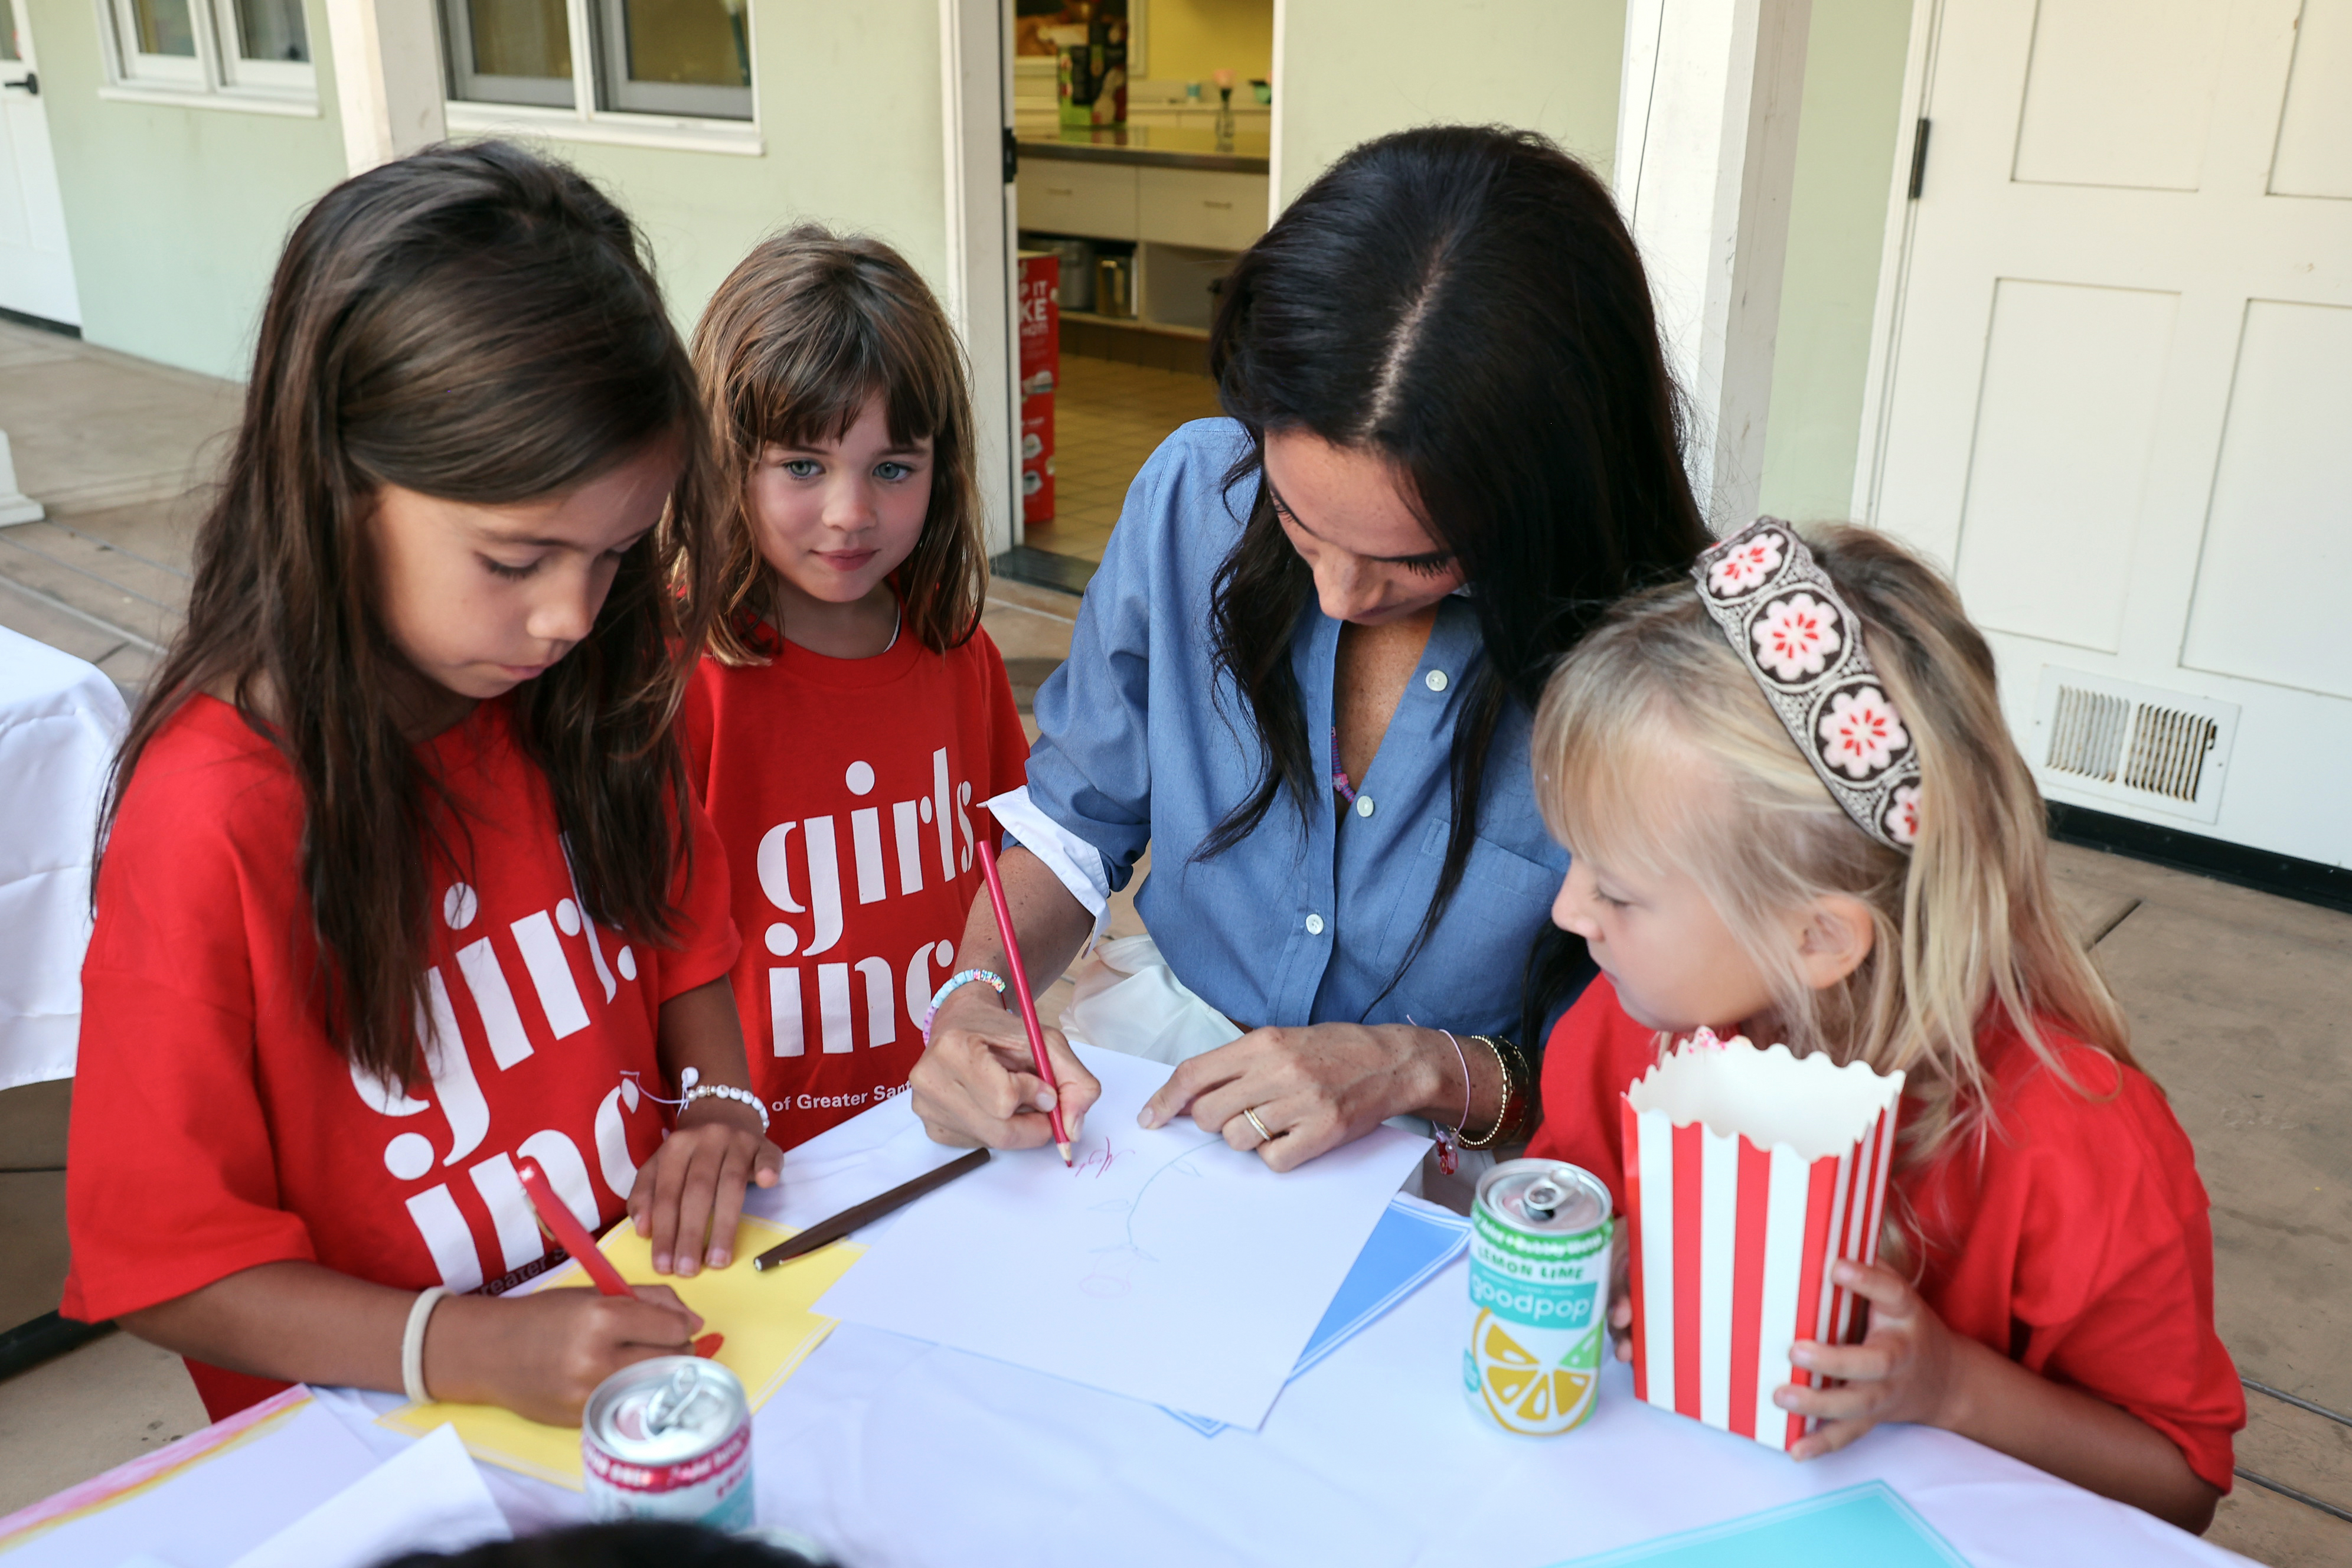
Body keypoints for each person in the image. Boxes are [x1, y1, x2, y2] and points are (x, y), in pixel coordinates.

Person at [61, 142, 779, 1427]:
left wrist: (720, 1100)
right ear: (337, 484)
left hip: (651, 1358)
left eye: (614, 553)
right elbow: (165, 1264)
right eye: (515, 556)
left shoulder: (588, 694)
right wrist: (470, 1347)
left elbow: (685, 938)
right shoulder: (212, 815)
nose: (569, 612)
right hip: (374, 1442)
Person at [912, 126, 1711, 1175]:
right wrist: (975, 1000)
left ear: (1548, 503)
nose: (1339, 594)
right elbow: (1075, 824)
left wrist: (1421, 1069)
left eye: (1420, 561)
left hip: (1470, 1144)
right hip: (1164, 1087)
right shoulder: (1197, 495)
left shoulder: (1665, 663)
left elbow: (1649, 1051)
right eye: (1297, 521)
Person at [1524, 519, 2243, 1531]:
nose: (1568, 912)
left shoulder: (2081, 1145)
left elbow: (2181, 1484)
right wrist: (1607, 1267)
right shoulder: (1627, 1035)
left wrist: (1951, 1388)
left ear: (1820, 937)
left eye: (1620, 891)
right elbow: (1575, 1216)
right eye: (1572, 858)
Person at [683, 227, 1028, 1148]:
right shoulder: (674, 675)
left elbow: (1012, 878)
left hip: (937, 1135)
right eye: (803, 465)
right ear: (725, 461)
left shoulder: (964, 657)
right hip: (760, 1162)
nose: (850, 513)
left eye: (892, 468)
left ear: (941, 471)